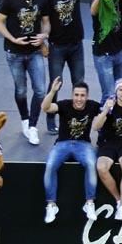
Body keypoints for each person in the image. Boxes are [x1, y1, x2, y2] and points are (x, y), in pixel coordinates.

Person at [0, 0, 49, 145]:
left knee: (40, 90)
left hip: (34, 51)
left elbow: (46, 21)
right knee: (21, 90)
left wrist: (44, 35)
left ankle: (33, 127)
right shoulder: (10, 0)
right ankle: (25, 120)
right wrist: (12, 39)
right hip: (14, 52)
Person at [43, 0, 95, 134]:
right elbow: (41, 21)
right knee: (55, 83)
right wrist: (42, 44)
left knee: (78, 81)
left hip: (76, 46)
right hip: (56, 46)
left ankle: (77, 115)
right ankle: (51, 117)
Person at [41, 78, 101, 223]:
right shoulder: (64, 104)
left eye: (82, 95)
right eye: (76, 95)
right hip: (63, 143)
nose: (79, 98)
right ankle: (51, 205)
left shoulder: (93, 106)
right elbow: (45, 107)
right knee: (50, 166)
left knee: (92, 165)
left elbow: (105, 118)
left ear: (87, 96)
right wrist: (53, 91)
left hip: (83, 144)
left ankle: (89, 203)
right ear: (72, 95)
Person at [92, 78, 122, 220]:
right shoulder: (109, 105)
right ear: (116, 91)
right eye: (121, 90)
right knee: (101, 168)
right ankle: (119, 201)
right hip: (109, 141)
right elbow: (96, 127)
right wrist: (106, 110)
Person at [90, 0, 122, 102]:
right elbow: (93, 11)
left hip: (119, 51)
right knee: (109, 94)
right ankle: (104, 120)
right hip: (103, 55)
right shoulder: (99, 1)